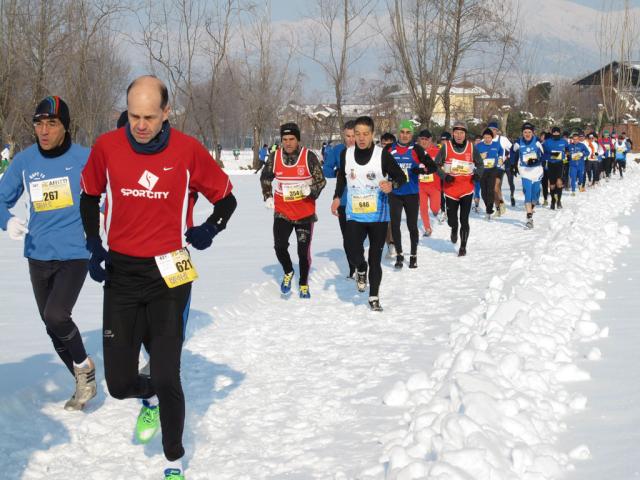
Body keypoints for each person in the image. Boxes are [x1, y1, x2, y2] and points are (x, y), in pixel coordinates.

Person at [80, 76, 237, 480]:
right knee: (118, 383)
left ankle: (173, 461)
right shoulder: (107, 147)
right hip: (122, 272)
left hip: (171, 269)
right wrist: (93, 244)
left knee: (168, 373)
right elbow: (89, 195)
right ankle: (145, 395)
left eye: (150, 116)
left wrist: (210, 228)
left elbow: (227, 197)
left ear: (167, 112)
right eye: (134, 116)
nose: (141, 125)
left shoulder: (187, 151)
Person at [0, 96, 96, 410]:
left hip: (74, 252)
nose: (43, 130)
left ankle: (84, 367)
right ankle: (82, 379)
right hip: (37, 254)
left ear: (65, 127)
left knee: (57, 314)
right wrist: (8, 220)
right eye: (38, 123)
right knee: (50, 323)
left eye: (51, 123)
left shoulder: (85, 158)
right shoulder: (25, 162)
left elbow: (110, 193)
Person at [330, 116, 406, 311]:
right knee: (351, 247)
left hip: (378, 216)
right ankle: (360, 268)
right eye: (357, 134)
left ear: (372, 134)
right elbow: (341, 178)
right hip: (354, 214)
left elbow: (400, 176)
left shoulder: (382, 155)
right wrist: (337, 197)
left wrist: (391, 185)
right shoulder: (346, 155)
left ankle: (374, 296)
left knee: (375, 257)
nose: (361, 138)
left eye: (365, 134)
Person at [261, 122, 326, 297]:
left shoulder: (308, 157)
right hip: (283, 211)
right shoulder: (274, 157)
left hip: (304, 212)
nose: (288, 143)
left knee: (303, 251)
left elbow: (321, 181)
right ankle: (288, 271)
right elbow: (265, 177)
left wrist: (310, 190)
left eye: (291, 139)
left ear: (298, 140)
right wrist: (267, 195)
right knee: (279, 246)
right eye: (284, 139)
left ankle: (303, 283)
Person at [387, 120, 436, 269]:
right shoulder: (389, 149)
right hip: (394, 193)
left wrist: (421, 170)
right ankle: (400, 256)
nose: (405, 135)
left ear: (412, 134)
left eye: (408, 132)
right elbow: (380, 167)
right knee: (395, 225)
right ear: (398, 133)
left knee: (412, 225)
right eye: (402, 132)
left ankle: (413, 255)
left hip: (411, 193)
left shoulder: (417, 149)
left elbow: (432, 166)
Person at [434, 121, 483, 256]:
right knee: (452, 220)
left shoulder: (472, 148)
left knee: (464, 219)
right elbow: (436, 165)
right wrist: (444, 176)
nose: (459, 135)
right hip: (450, 190)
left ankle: (463, 247)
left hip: (467, 189)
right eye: (456, 132)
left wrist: (477, 175)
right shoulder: (446, 147)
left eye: (462, 132)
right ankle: (454, 228)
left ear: (465, 134)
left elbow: (480, 164)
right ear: (453, 133)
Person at [323, 121, 356, 277]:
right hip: (343, 200)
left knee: (360, 235)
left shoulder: (366, 151)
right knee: (348, 236)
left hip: (363, 200)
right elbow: (327, 169)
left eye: (354, 135)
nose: (351, 139)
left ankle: (361, 262)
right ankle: (352, 267)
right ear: (344, 135)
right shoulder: (337, 150)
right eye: (348, 136)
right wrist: (335, 171)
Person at [512, 122, 544, 228]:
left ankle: (533, 204)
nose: (527, 134)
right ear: (522, 133)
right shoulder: (518, 143)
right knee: (528, 192)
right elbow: (512, 153)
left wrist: (537, 160)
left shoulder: (538, 142)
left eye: (529, 132)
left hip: (536, 170)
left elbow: (544, 155)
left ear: (533, 132)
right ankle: (529, 217)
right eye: (525, 132)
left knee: (535, 193)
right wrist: (512, 165)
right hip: (525, 170)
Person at [416, 129, 442, 235]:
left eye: (426, 139)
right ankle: (427, 228)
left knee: (434, 208)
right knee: (423, 208)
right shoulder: (415, 152)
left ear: (430, 140)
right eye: (422, 139)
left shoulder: (437, 151)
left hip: (434, 186)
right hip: (421, 186)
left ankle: (437, 211)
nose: (424, 141)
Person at [475, 128, 504, 220]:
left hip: (492, 169)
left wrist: (500, 158)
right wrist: (480, 157)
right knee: (484, 191)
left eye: (489, 137)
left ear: (492, 137)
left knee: (490, 189)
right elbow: (473, 156)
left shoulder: (496, 144)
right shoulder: (478, 146)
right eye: (485, 137)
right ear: (483, 137)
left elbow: (501, 151)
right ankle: (489, 206)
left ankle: (488, 210)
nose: (487, 139)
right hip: (482, 170)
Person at [487, 121, 511, 213]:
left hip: (499, 167)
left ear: (497, 131)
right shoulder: (485, 139)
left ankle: (501, 204)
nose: (492, 131)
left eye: (494, 130)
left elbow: (512, 149)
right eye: (490, 130)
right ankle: (498, 208)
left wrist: (508, 159)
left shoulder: (503, 139)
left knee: (496, 186)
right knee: (493, 189)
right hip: (488, 168)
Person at [542, 126, 569, 209]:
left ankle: (559, 201)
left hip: (560, 164)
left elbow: (567, 150)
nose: (556, 134)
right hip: (550, 164)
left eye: (557, 132)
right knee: (552, 185)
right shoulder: (547, 142)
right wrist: (552, 155)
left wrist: (566, 155)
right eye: (554, 132)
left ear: (559, 133)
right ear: (552, 133)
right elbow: (543, 153)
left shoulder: (563, 141)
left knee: (559, 183)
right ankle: (553, 201)